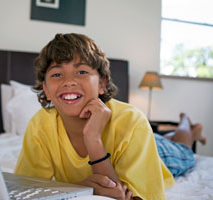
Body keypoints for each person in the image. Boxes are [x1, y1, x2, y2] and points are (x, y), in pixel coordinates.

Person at [14, 33, 205, 199]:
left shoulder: (133, 122)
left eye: (81, 71)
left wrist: (93, 139)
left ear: (101, 84)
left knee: (183, 150)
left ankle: (187, 125)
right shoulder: (40, 125)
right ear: (46, 89)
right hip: (132, 144)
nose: (69, 82)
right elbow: (28, 190)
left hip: (156, 151)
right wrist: (81, 189)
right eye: (57, 74)